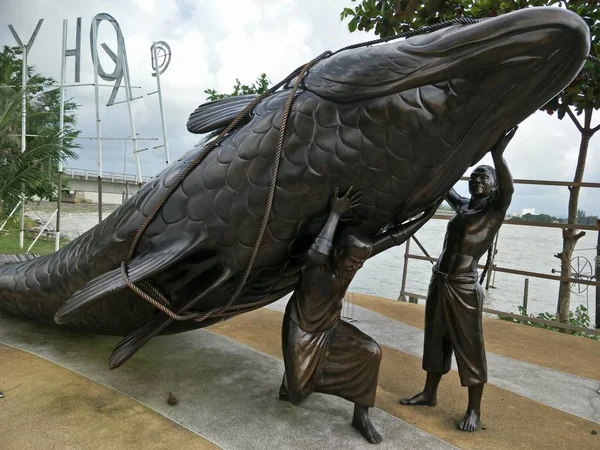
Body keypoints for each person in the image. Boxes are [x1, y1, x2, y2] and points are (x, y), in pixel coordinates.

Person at [280, 186, 439, 444]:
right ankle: (293, 377)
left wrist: (426, 216)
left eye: (361, 263)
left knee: (370, 351)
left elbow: (395, 237)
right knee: (297, 396)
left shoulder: (353, 258)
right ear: (338, 252)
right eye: (353, 261)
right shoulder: (316, 264)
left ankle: (361, 415)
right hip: (302, 327)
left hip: (330, 324)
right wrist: (335, 213)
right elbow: (318, 250)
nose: (356, 267)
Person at [399, 127, 517, 432]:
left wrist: (497, 155)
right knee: (435, 338)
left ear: (493, 187)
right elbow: (445, 185)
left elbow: (508, 189)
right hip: (440, 281)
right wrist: (447, 151)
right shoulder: (463, 206)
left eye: (484, 177)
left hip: (464, 286)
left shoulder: (495, 210)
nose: (477, 180)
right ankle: (429, 393)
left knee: (470, 345)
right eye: (474, 177)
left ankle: (474, 410)